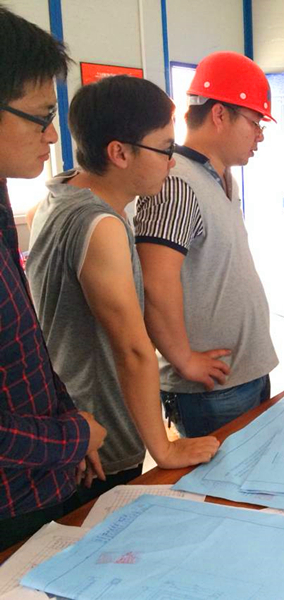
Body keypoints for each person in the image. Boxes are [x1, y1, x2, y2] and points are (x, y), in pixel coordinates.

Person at [26, 76, 220, 505]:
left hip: (71, 416)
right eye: (165, 148)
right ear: (119, 153)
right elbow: (132, 351)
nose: (172, 163)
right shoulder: (102, 226)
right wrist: (164, 450)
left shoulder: (56, 195)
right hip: (100, 439)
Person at [0, 5, 106, 551]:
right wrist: (73, 435)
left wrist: (69, 420)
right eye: (40, 116)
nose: (50, 134)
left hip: (48, 475)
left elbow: (26, 348)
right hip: (12, 504)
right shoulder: (94, 220)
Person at [135, 52, 279, 438]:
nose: (260, 135)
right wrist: (183, 359)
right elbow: (155, 282)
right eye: (255, 122)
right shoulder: (177, 183)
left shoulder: (218, 177)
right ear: (219, 114)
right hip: (212, 391)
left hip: (242, 376)